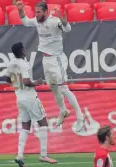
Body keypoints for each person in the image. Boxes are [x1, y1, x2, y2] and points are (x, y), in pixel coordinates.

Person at [16, 1, 85, 132]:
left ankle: (80, 116)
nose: (36, 15)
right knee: (53, 87)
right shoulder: (37, 21)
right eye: (35, 12)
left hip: (57, 59)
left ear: (46, 11)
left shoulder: (55, 21)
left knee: (63, 88)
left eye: (39, 12)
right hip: (46, 60)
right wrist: (20, 10)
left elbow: (68, 29)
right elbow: (25, 21)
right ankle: (63, 110)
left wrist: (64, 21)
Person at [6, 42, 57, 167]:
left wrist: (17, 82)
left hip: (20, 99)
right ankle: (44, 155)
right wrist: (37, 83)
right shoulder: (24, 64)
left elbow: (7, 79)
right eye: (23, 48)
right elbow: (26, 81)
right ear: (22, 51)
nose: (25, 49)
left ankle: (19, 155)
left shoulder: (11, 63)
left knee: (25, 126)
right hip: (30, 98)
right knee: (43, 123)